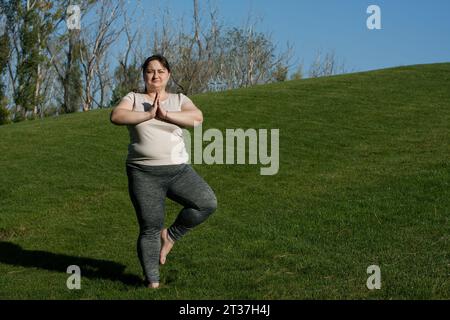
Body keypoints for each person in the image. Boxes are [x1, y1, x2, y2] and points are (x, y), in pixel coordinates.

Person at [110, 54, 217, 289]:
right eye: (150, 71)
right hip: (143, 172)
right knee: (150, 227)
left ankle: (170, 237)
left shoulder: (179, 99)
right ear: (144, 75)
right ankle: (153, 282)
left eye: (160, 71)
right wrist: (148, 114)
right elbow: (116, 116)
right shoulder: (134, 98)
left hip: (178, 171)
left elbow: (197, 118)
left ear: (168, 74)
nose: (155, 75)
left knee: (206, 203)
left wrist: (165, 115)